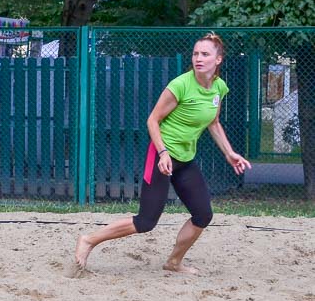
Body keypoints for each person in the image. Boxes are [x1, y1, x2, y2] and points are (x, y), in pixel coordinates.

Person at [66, 32, 251, 278]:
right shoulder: (180, 85)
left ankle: (174, 262)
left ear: (218, 59)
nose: (198, 58)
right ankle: (89, 240)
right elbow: (152, 120)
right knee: (146, 222)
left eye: (205, 54)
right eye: (196, 53)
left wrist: (229, 153)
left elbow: (213, 122)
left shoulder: (218, 88)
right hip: (162, 155)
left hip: (185, 159)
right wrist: (163, 153)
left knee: (203, 214)